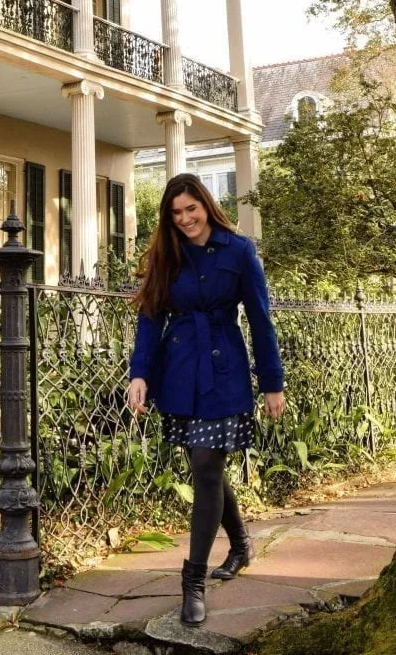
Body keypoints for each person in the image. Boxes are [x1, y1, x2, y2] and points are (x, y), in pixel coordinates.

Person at [127, 173, 285, 627]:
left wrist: (272, 382)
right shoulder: (166, 253)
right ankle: (239, 545)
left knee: (206, 466)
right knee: (206, 466)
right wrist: (140, 374)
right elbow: (150, 319)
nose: (185, 219)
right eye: (176, 213)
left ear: (206, 205)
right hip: (179, 372)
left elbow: (260, 320)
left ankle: (193, 582)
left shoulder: (238, 251)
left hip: (225, 371)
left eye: (190, 209)